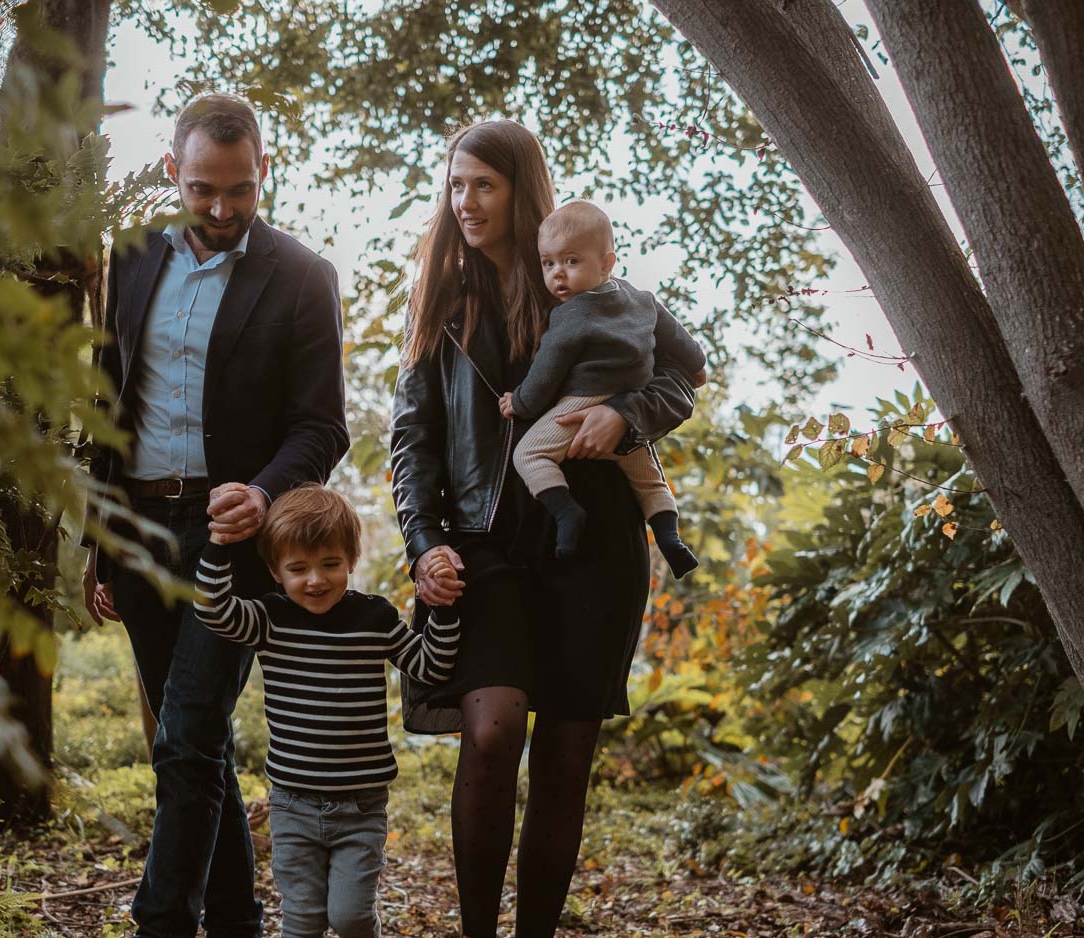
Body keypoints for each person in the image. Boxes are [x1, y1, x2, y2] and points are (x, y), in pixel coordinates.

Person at [390, 120, 705, 937]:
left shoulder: (596, 288)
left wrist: (627, 415)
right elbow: (413, 436)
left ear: (522, 191)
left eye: (483, 185)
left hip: (592, 540)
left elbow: (685, 373)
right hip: (484, 545)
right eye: (455, 184)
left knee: (566, 757)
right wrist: (425, 544)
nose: (465, 201)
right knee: (492, 733)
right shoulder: (443, 302)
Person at [83, 94, 349, 938]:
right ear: (173, 173)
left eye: (239, 190)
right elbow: (108, 403)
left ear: (263, 168)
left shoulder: (304, 276)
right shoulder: (125, 261)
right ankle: (238, 921)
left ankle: (160, 922)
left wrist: (263, 494)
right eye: (203, 190)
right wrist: (99, 543)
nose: (223, 209)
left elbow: (322, 425)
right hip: (137, 528)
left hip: (233, 537)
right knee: (193, 746)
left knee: (188, 729)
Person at [193, 482, 460, 937]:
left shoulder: (374, 618)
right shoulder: (269, 618)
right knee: (303, 921)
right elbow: (212, 608)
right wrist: (219, 543)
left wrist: (443, 609)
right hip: (293, 803)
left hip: (361, 804)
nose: (315, 580)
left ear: (351, 561)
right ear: (275, 571)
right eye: (298, 568)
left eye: (330, 564)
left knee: (351, 917)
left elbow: (429, 665)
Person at [497, 200, 705, 576]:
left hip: (583, 402)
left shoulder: (570, 315)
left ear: (606, 263)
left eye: (571, 261)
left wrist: (521, 403)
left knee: (528, 455)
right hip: (630, 403)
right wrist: (697, 368)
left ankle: (566, 512)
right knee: (647, 478)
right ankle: (671, 541)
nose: (558, 275)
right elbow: (685, 347)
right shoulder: (642, 301)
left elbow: (546, 373)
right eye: (549, 263)